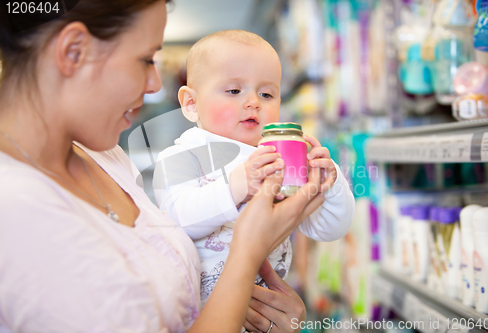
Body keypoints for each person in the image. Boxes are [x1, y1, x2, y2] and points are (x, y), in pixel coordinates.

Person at [0, 1, 326, 332]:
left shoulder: (104, 156)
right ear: (73, 52)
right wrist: (247, 253)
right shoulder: (14, 209)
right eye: (146, 59)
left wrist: (270, 314)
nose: (156, 83)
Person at [152, 30, 354, 314]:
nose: (253, 102)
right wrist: (237, 186)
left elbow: (328, 228)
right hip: (202, 314)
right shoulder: (182, 155)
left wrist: (329, 183)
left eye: (267, 93)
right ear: (191, 103)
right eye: (234, 91)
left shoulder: (280, 160)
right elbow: (177, 218)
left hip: (266, 311)